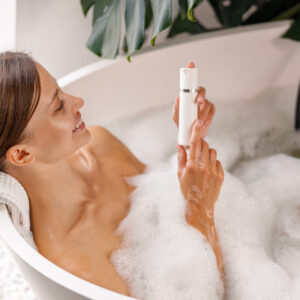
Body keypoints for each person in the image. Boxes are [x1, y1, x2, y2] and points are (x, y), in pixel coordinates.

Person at [0, 51, 224, 297]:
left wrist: (190, 143)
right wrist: (201, 211)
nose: (78, 101)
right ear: (21, 155)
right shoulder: (74, 261)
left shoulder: (100, 146)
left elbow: (167, 194)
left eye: (61, 90)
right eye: (59, 107)